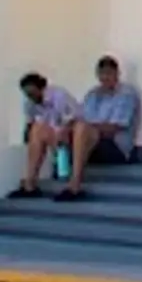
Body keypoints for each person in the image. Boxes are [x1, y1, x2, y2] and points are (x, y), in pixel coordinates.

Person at [15, 71, 91, 199]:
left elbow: (74, 118)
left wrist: (62, 132)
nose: (31, 97)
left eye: (33, 93)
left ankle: (75, 185)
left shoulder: (59, 95)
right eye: (28, 94)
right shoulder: (29, 102)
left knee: (80, 128)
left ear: (42, 88)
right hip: (57, 138)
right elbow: (30, 123)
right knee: (36, 129)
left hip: (79, 134)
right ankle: (30, 183)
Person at [78, 56, 142, 166]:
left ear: (117, 74)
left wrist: (89, 130)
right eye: (101, 74)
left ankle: (75, 177)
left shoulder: (126, 93)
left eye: (109, 73)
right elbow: (83, 119)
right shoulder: (92, 94)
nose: (105, 77)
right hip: (93, 141)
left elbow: (114, 127)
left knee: (81, 136)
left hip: (116, 146)